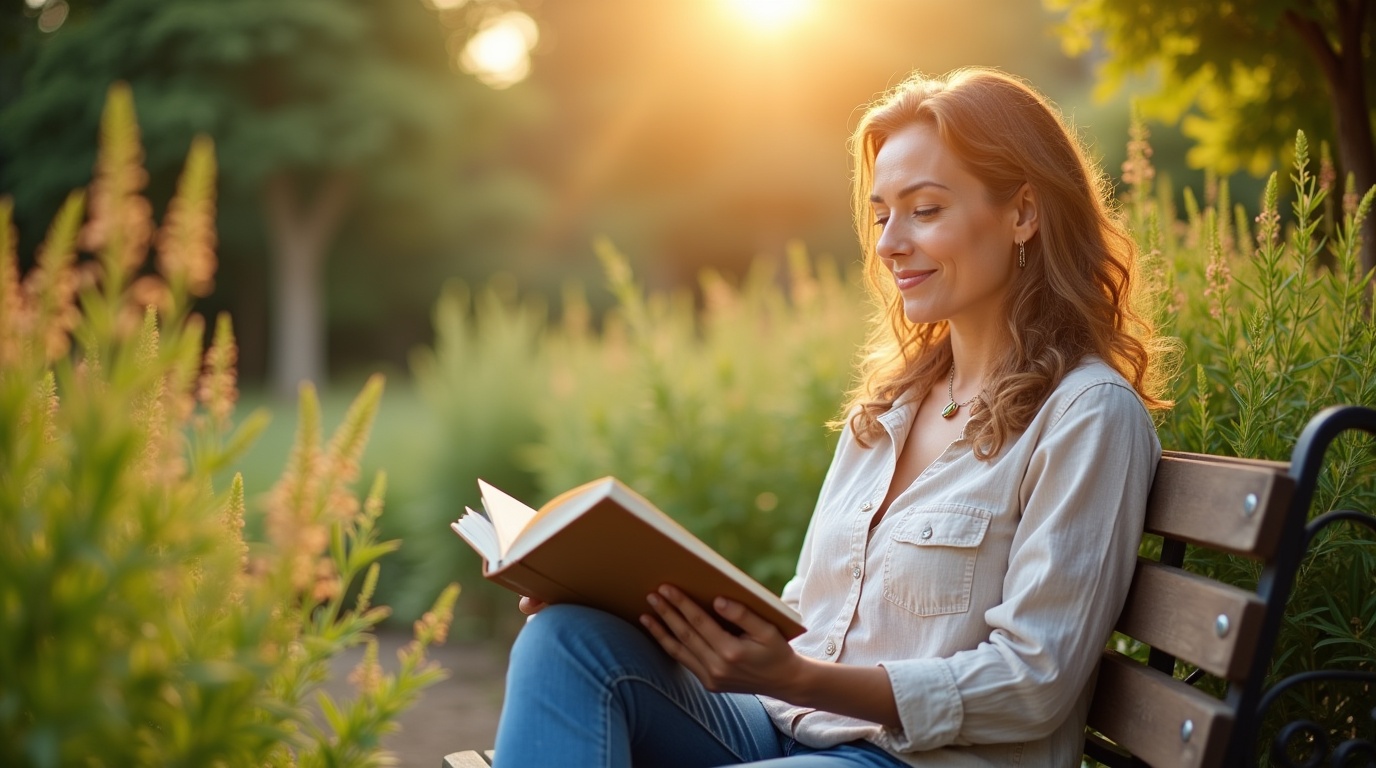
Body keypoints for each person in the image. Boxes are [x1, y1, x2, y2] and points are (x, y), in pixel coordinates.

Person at [491, 67, 1167, 767]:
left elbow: (1035, 682)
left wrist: (800, 679)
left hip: (919, 759)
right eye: (881, 216)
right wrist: (658, 617)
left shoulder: (1086, 416)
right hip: (788, 728)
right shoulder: (891, 409)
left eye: (924, 210)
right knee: (566, 637)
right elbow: (817, 616)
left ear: (1023, 212)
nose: (888, 244)